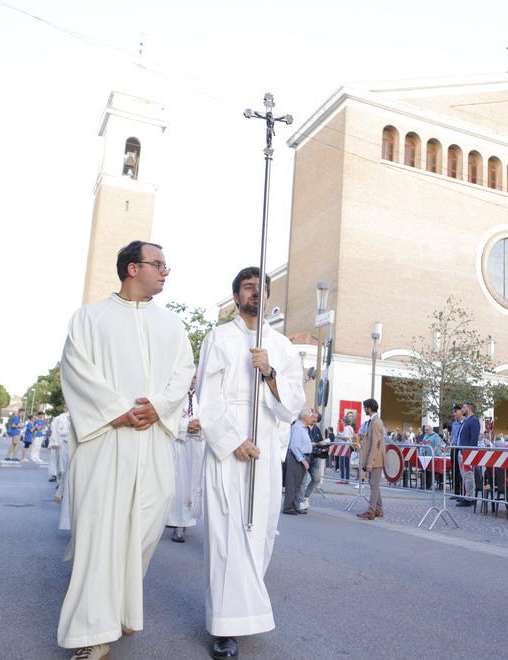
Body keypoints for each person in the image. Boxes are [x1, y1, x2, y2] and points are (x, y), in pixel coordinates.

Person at [56, 240, 194, 659]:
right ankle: (90, 635)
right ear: (132, 268)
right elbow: (75, 367)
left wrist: (158, 406)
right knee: (101, 535)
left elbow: (183, 372)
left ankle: (121, 608)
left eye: (166, 266)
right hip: (105, 442)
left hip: (152, 440)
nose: (165, 272)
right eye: (159, 264)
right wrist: (116, 411)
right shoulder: (90, 318)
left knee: (145, 528)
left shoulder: (173, 325)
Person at [197, 266, 304, 660]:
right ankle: (224, 625)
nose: (255, 293)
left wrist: (270, 371)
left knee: (260, 530)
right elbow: (207, 399)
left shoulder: (282, 345)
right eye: (247, 288)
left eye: (262, 288)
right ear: (236, 295)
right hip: (229, 448)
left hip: (267, 451)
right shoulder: (219, 338)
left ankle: (246, 612)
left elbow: (293, 404)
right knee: (228, 532)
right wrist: (232, 440)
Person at [166, 373, 204, 543]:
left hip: (195, 445)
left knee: (191, 485)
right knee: (179, 485)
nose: (192, 380)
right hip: (179, 445)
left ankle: (186, 520)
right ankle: (177, 524)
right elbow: (168, 419)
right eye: (190, 376)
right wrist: (185, 426)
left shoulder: (202, 397)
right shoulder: (176, 396)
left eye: (195, 377)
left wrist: (200, 425)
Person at [356, 398, 386, 520]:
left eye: (365, 407)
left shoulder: (376, 422)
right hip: (374, 459)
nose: (364, 409)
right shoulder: (373, 421)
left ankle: (371, 511)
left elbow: (376, 444)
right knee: (374, 484)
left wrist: (370, 462)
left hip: (376, 460)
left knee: (374, 485)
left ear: (369, 408)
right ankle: (378, 509)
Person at [300, 411, 328, 510]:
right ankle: (300, 501)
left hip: (315, 457)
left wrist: (323, 444)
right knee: (302, 481)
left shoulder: (316, 429)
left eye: (316, 418)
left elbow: (320, 441)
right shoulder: (303, 427)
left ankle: (305, 497)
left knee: (316, 479)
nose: (315, 419)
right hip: (305, 456)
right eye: (313, 417)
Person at [455, 402, 480, 507]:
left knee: (468, 475)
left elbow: (473, 439)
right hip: (462, 451)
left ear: (469, 408)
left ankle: (469, 498)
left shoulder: (474, 421)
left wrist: (468, 453)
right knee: (464, 475)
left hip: (467, 453)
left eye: (464, 407)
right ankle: (467, 495)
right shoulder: (466, 421)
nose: (462, 409)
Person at [49, 410, 71, 484]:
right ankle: (60, 482)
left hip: (73, 442)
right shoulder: (60, 417)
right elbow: (54, 430)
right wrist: (54, 442)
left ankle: (66, 481)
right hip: (62, 442)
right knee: (60, 464)